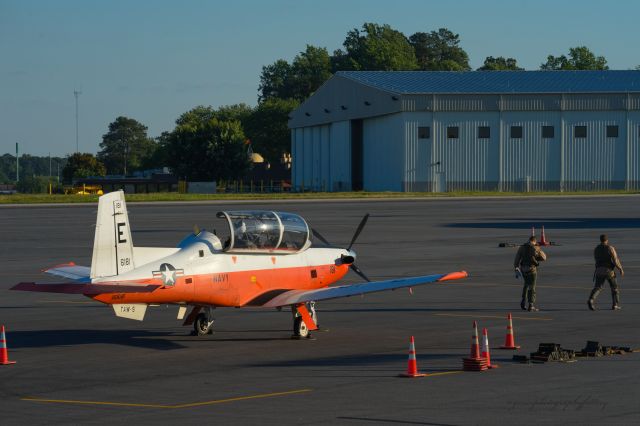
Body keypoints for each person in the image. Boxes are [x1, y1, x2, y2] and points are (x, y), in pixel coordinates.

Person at [588, 234, 624, 311]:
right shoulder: (610, 248)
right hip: (608, 271)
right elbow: (615, 260)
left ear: (600, 240)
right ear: (607, 240)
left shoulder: (596, 249)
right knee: (614, 287)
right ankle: (615, 304)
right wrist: (620, 268)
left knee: (598, 287)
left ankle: (591, 300)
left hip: (599, 270)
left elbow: (596, 260)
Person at [514, 235, 547, 311]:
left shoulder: (522, 247)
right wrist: (538, 250)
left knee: (526, 284)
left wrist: (516, 268)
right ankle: (531, 305)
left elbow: (516, 260)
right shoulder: (535, 248)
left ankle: (523, 300)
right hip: (531, 270)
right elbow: (544, 257)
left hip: (523, 270)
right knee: (532, 287)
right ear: (534, 241)